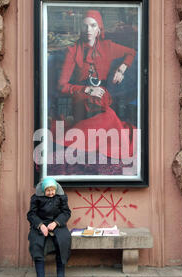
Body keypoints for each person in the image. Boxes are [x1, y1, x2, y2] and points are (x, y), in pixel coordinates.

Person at [53, 9, 137, 162]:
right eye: (85, 26)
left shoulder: (108, 47)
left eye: (93, 26)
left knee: (108, 115)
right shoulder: (72, 51)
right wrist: (87, 89)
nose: (88, 30)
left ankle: (87, 143)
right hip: (81, 99)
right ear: (80, 29)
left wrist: (121, 69)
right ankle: (77, 140)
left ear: (99, 29)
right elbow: (62, 86)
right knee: (109, 119)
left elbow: (131, 52)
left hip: (102, 98)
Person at [27, 177, 71, 277]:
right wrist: (40, 225)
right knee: (36, 243)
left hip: (57, 224)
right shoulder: (36, 198)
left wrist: (56, 223)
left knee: (63, 241)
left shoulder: (61, 197)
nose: (51, 193)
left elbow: (66, 213)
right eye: (48, 190)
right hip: (41, 224)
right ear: (43, 190)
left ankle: (60, 272)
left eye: (53, 190)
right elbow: (31, 214)